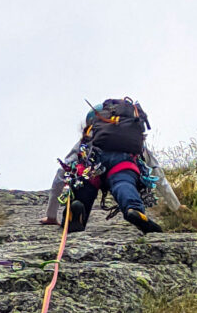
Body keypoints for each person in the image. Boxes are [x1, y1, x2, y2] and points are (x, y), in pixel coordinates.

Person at [67, 98, 180, 234]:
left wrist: (50, 214)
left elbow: (64, 168)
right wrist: (176, 206)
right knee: (123, 183)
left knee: (86, 185)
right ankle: (134, 210)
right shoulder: (131, 139)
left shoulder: (89, 137)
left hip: (92, 165)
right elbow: (157, 174)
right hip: (123, 163)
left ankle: (77, 211)